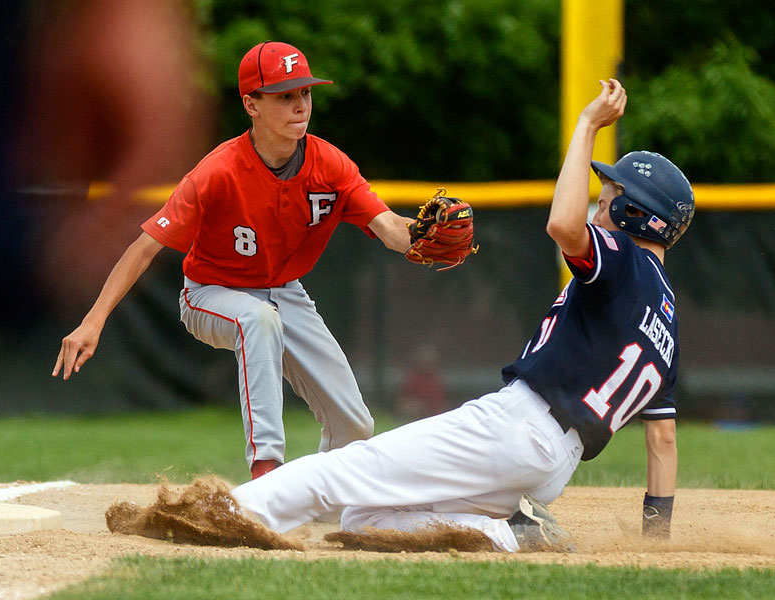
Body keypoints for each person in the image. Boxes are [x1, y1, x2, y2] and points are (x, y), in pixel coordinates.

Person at [229, 79, 695, 551]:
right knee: (362, 518)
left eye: (607, 196)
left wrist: (587, 124)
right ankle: (508, 532)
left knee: (345, 469)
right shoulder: (669, 327)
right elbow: (663, 443)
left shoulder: (622, 258)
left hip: (517, 427)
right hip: (554, 465)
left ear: (634, 213)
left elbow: (562, 225)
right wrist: (656, 542)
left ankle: (227, 513)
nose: (598, 205)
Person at [53, 41, 414, 480]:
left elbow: (391, 229)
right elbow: (143, 247)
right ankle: (266, 473)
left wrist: (426, 238)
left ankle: (316, 495)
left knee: (355, 424)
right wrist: (93, 321)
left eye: (305, 92)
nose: (300, 104)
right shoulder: (218, 172)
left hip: (286, 294)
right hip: (211, 294)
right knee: (257, 320)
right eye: (285, 95)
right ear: (251, 104)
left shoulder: (330, 165)